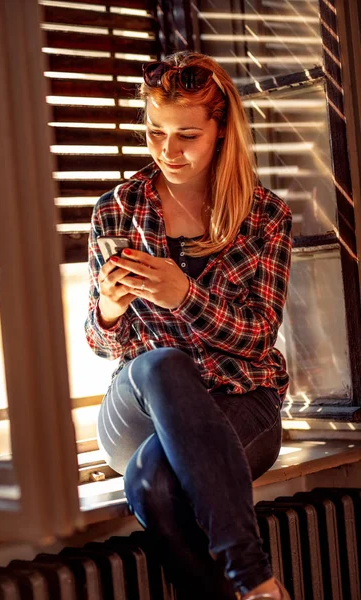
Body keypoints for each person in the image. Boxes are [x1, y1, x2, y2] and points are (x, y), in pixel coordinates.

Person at [85, 51, 292, 600]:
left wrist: (186, 297)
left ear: (222, 131)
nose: (167, 151)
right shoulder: (116, 210)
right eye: (155, 132)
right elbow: (103, 343)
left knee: (154, 484)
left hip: (241, 401)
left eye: (187, 136)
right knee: (160, 362)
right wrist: (108, 306)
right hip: (137, 410)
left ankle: (247, 586)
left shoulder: (266, 215)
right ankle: (256, 578)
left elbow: (259, 335)